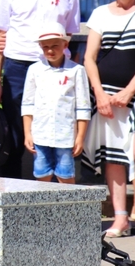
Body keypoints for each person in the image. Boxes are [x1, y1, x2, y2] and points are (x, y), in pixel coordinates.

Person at [0, 0, 81, 179]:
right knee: (17, 135)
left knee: (57, 131)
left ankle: (53, 199)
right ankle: (12, 194)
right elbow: (0, 36)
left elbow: (70, 33)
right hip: (19, 67)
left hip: (57, 68)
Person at [84, 0, 135, 237]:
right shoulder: (100, 14)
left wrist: (129, 91)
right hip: (106, 98)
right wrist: (100, 94)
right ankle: (121, 218)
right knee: (114, 157)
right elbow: (89, 58)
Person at [21, 23, 90, 185]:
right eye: (45, 47)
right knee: (41, 171)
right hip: (40, 133)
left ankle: (68, 209)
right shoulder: (34, 70)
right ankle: (44, 208)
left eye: (55, 46)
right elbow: (28, 105)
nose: (50, 51)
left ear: (65, 45)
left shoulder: (76, 71)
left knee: (65, 173)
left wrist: (80, 136)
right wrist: (28, 133)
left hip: (65, 135)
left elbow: (83, 107)